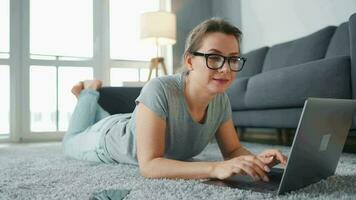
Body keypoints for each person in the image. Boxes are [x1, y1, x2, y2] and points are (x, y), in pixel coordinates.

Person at [63, 18, 288, 182]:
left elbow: (232, 151)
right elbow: (150, 165)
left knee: (110, 119)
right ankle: (88, 92)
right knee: (70, 140)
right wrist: (214, 169)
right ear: (190, 61)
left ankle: (91, 99)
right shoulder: (159, 88)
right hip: (104, 140)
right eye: (214, 57)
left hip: (130, 122)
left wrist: (255, 161)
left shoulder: (221, 100)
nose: (225, 69)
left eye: (232, 59)